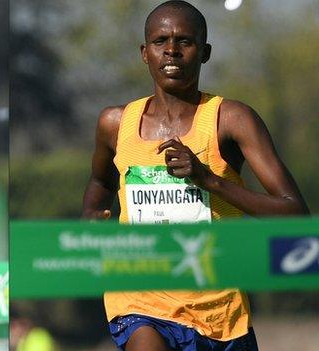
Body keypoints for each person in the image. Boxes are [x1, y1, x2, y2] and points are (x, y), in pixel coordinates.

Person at [82, 1, 308, 351]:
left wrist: (210, 181)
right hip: (139, 300)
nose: (171, 50)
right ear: (145, 53)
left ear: (205, 52)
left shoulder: (231, 120)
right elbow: (100, 184)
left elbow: (295, 213)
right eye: (161, 41)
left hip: (219, 310)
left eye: (184, 41)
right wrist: (92, 224)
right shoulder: (115, 123)